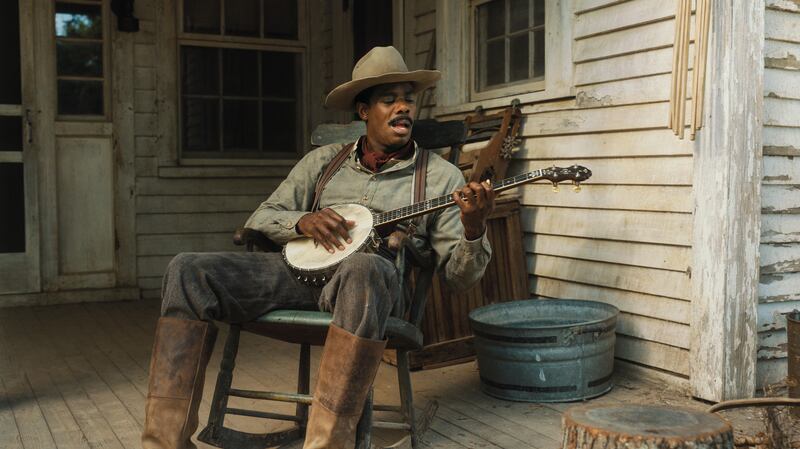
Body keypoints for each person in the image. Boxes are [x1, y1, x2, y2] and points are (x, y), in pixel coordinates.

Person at [141, 46, 495, 449]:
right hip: (297, 274)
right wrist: (301, 221)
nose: (403, 108)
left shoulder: (440, 176)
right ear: (363, 111)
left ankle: (327, 445)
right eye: (388, 100)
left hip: (369, 289)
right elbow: (261, 217)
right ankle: (163, 443)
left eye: (409, 100)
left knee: (365, 267)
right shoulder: (323, 161)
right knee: (188, 269)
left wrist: (473, 227)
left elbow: (461, 278)